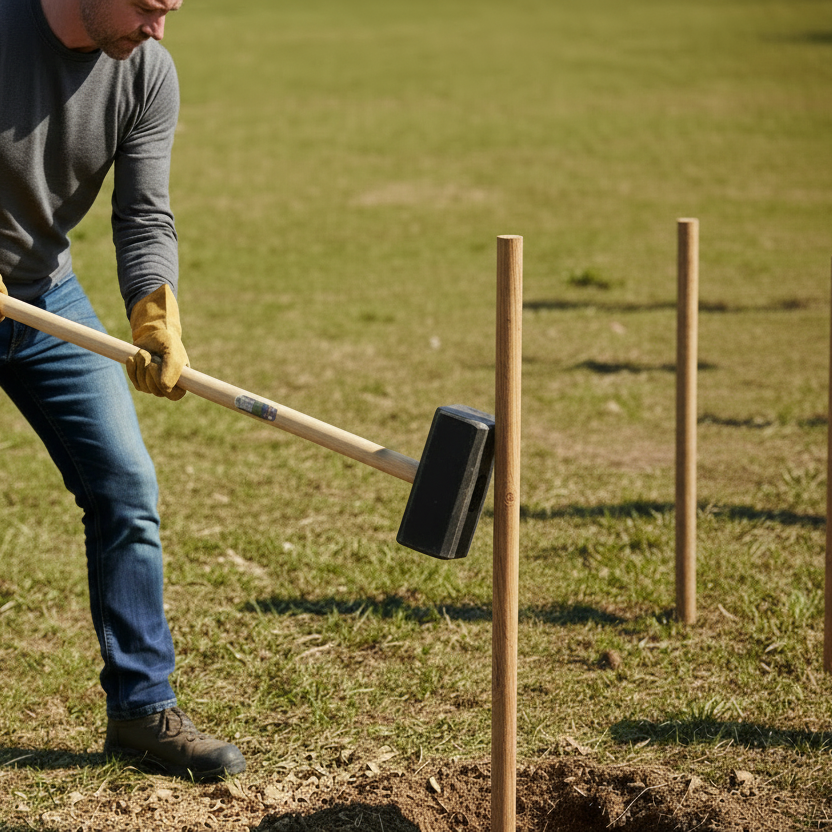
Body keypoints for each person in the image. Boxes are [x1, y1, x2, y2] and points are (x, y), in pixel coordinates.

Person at [0, 0, 246, 779]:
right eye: (147, 7)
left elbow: (143, 216)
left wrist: (154, 313)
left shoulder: (145, 74)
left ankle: (143, 710)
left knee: (127, 488)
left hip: (42, 297)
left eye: (170, 9)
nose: (159, 28)